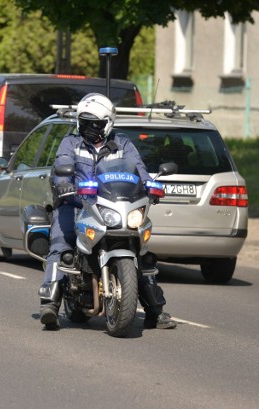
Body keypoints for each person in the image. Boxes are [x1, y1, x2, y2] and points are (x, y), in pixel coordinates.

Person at [38, 93, 177, 331]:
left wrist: (151, 185)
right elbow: (60, 167)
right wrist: (65, 185)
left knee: (140, 249)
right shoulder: (70, 143)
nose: (89, 128)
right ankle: (50, 303)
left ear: (107, 123)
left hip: (112, 205)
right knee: (62, 244)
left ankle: (156, 311)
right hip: (76, 204)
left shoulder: (122, 144)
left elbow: (139, 169)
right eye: (85, 122)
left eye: (95, 123)